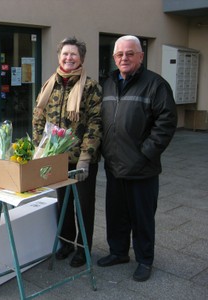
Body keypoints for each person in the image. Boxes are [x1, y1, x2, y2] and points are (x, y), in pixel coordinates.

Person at [98, 35, 178, 281]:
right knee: (116, 213)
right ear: (114, 58)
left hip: (142, 167)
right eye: (120, 54)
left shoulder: (156, 84)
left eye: (130, 53)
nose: (124, 58)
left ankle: (145, 260)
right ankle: (119, 252)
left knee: (142, 217)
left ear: (141, 56)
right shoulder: (108, 83)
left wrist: (146, 153)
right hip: (114, 165)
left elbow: (166, 122)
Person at [32, 36, 102, 268]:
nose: (69, 58)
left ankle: (83, 249)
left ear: (81, 58)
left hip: (81, 160)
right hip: (57, 159)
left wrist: (85, 158)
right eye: (65, 54)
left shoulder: (90, 87)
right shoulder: (49, 84)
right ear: (59, 57)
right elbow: (38, 118)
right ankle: (66, 243)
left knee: (83, 205)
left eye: (73, 54)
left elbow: (95, 123)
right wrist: (37, 149)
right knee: (63, 203)